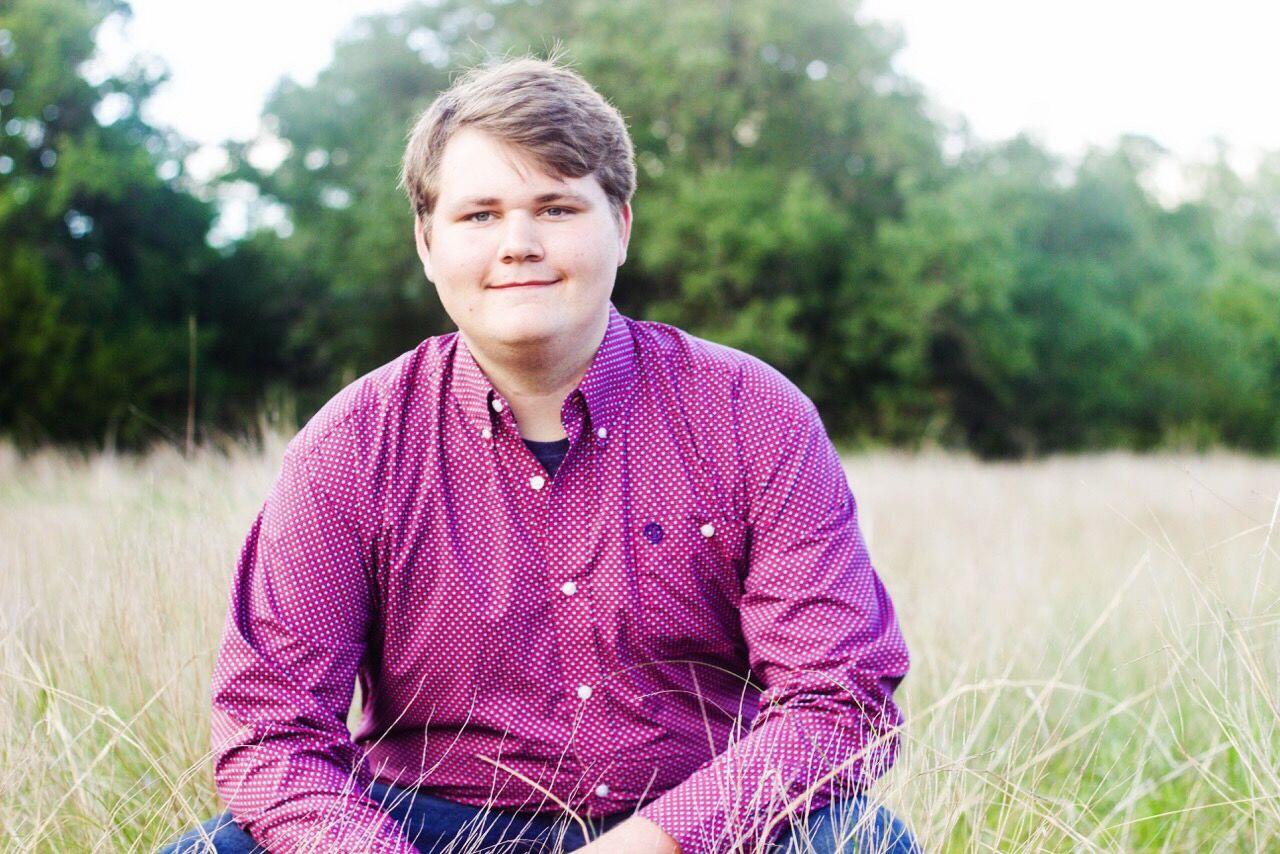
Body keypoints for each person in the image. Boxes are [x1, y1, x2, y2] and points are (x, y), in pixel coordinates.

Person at [160, 57, 916, 854]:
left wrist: (654, 842)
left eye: (555, 207)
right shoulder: (351, 448)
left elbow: (841, 699)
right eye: (478, 216)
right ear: (426, 241)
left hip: (691, 825)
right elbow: (273, 731)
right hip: (426, 826)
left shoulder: (751, 416)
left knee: (858, 842)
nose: (518, 245)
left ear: (620, 224)